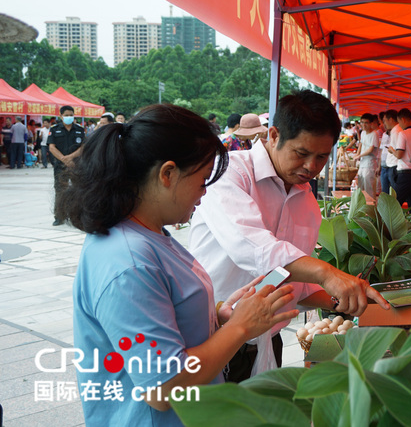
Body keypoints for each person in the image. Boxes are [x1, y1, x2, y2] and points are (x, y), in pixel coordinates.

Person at [56, 104, 297, 426]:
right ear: (167, 174)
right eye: (201, 180)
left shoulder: (148, 233)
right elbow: (164, 388)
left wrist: (218, 317)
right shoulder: (129, 263)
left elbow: (164, 317)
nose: (204, 192)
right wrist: (241, 328)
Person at [189, 90, 390, 381]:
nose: (311, 166)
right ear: (273, 135)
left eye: (321, 156)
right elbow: (253, 249)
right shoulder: (231, 173)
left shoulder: (306, 201)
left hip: (267, 341)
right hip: (213, 336)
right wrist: (326, 272)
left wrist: (344, 298)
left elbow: (294, 281)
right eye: (301, 153)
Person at [48, 106, 86, 226]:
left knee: (78, 189)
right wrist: (64, 159)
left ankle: (79, 215)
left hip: (76, 164)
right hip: (60, 165)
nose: (69, 117)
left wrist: (70, 158)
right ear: (61, 116)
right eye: (66, 115)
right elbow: (51, 147)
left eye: (71, 115)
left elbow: (83, 147)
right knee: (60, 190)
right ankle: (59, 216)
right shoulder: (54, 129)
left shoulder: (79, 129)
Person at [390, 109, 411, 210]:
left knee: (394, 204)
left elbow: (399, 155)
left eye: (399, 122)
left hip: (405, 173)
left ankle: (391, 225)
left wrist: (391, 150)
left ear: (403, 119)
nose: (399, 125)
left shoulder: (403, 134)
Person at [352, 113, 379, 199]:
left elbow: (371, 149)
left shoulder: (374, 134)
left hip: (370, 163)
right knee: (361, 186)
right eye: (362, 122)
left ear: (371, 123)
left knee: (369, 188)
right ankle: (363, 207)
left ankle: (371, 208)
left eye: (366, 122)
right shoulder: (363, 133)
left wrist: (359, 155)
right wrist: (357, 154)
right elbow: (361, 144)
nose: (363, 125)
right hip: (363, 163)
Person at [380, 110, 399, 195]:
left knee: (394, 193)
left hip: (393, 167)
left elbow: (399, 152)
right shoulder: (390, 132)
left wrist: (391, 150)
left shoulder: (397, 131)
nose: (384, 124)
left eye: (384, 121)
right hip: (385, 166)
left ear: (390, 119)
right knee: (385, 192)